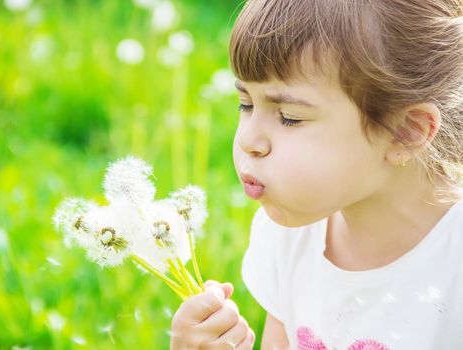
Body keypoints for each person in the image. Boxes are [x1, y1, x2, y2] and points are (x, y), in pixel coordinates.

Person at [171, 0, 463, 348]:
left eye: (289, 117)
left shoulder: (452, 265)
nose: (249, 140)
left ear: (406, 132)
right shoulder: (288, 238)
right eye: (246, 104)